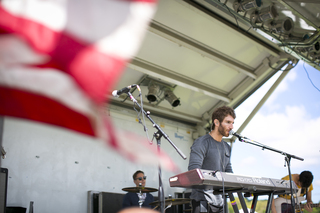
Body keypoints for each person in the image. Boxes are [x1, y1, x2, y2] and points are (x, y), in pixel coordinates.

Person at [188, 106, 236, 213]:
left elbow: (228, 170)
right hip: (202, 199)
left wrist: (237, 182)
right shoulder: (202, 142)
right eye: (228, 122)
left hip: (221, 200)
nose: (231, 126)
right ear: (216, 122)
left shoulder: (227, 147)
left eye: (233, 123)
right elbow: (193, 170)